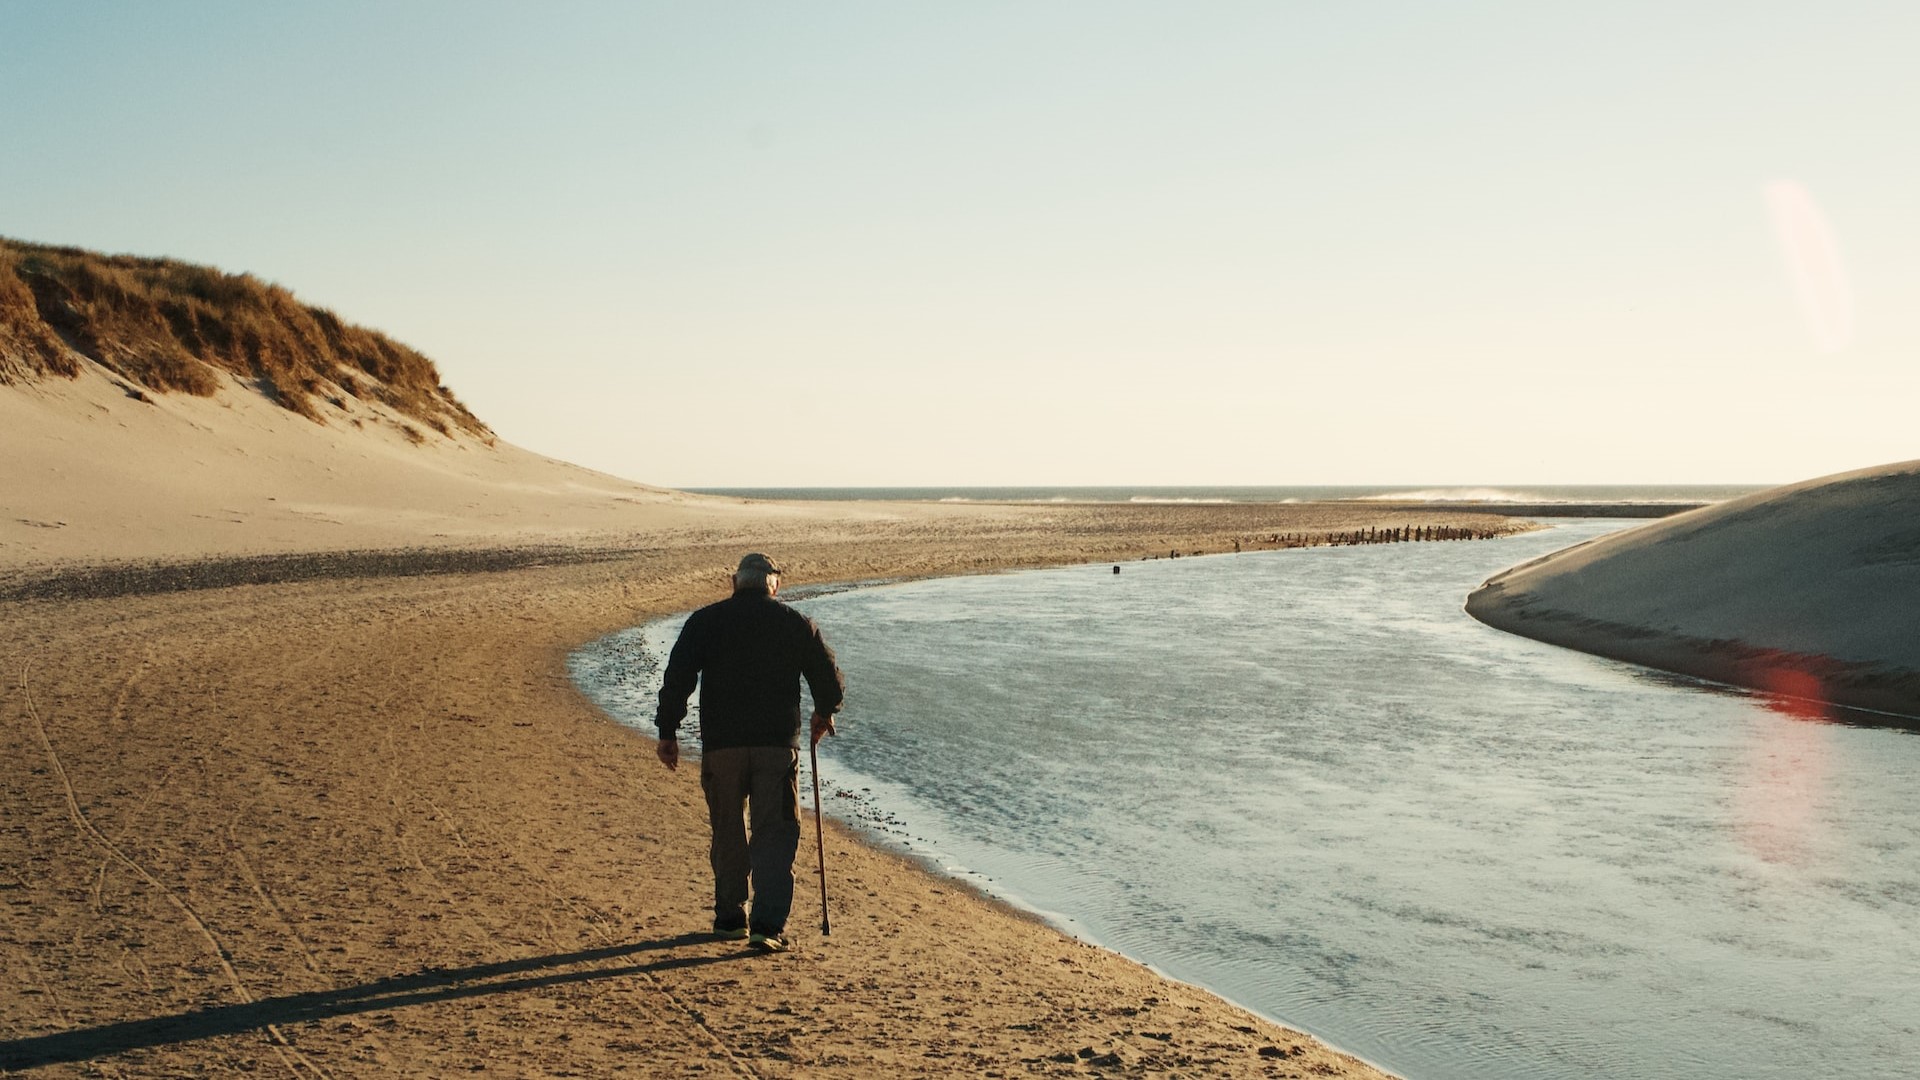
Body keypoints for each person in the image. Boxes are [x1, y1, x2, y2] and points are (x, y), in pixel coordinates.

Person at [654, 552, 845, 952]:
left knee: (727, 830)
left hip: (722, 746)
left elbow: (678, 677)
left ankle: (729, 918)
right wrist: (823, 713)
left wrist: (668, 730)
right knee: (773, 833)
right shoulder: (795, 624)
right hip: (776, 746)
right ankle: (767, 926)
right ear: (774, 585)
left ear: (734, 582)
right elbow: (828, 680)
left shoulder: (705, 621)